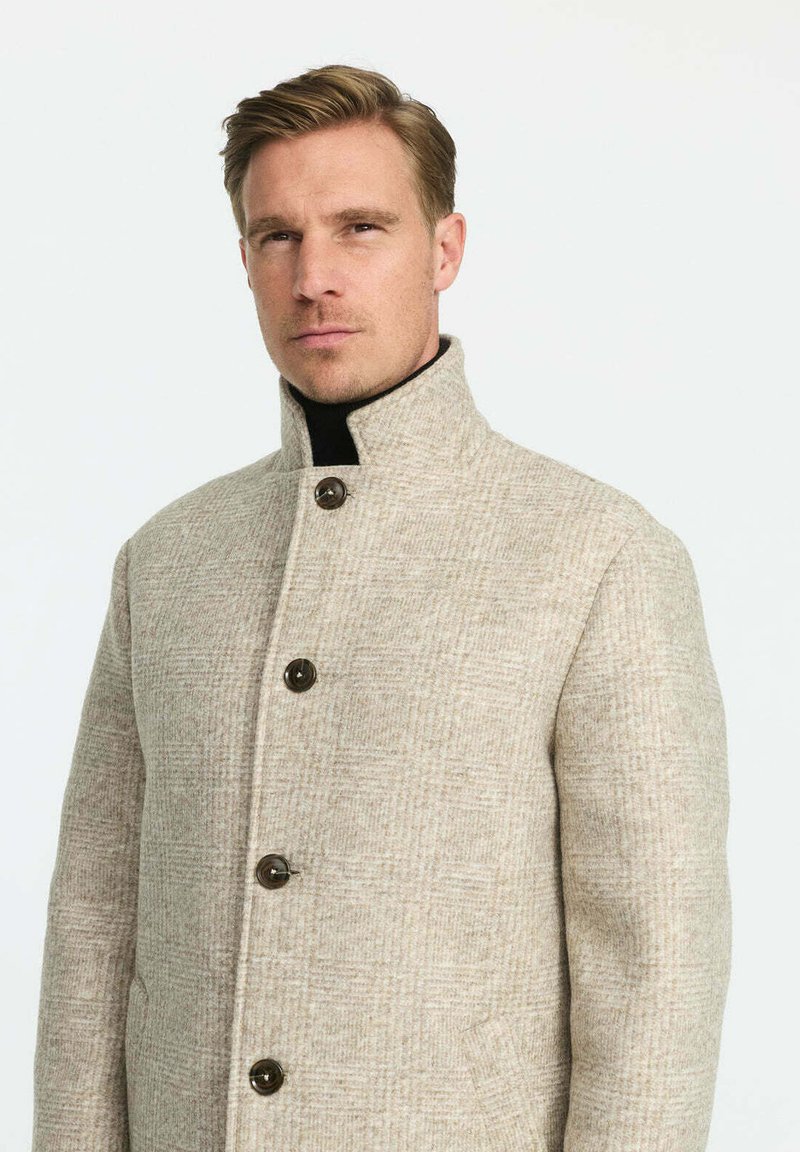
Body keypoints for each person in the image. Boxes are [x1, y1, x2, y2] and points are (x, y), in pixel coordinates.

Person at [32, 64, 731, 1152]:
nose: (313, 277)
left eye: (360, 228)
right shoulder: (166, 563)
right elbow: (93, 930)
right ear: (245, 261)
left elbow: (655, 974)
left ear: (444, 249)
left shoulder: (596, 556)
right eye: (277, 236)